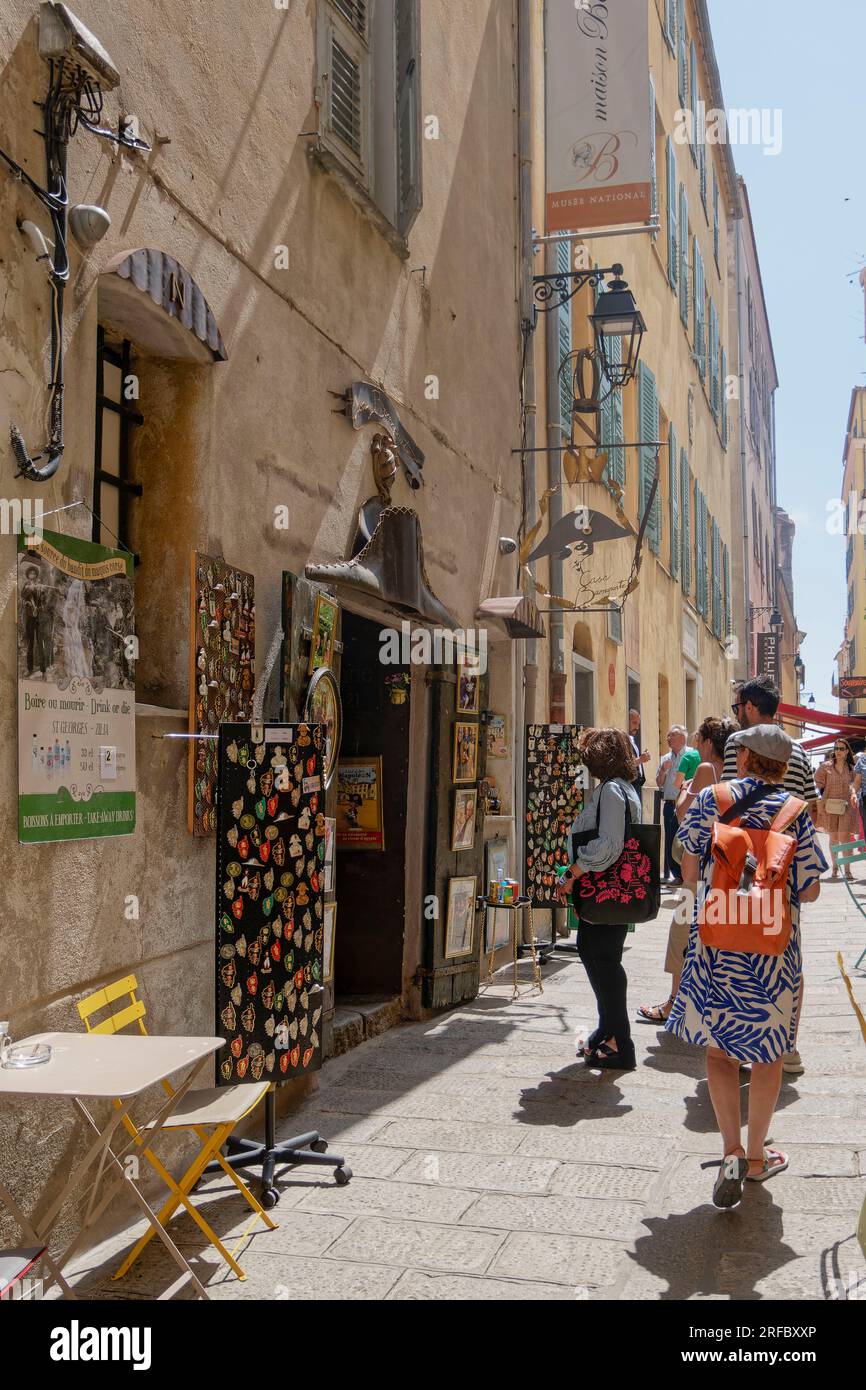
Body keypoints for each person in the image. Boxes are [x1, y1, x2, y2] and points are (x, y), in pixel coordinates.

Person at [668, 725, 826, 1208]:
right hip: (772, 952)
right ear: (781, 766)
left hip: (717, 941)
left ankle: (731, 1149)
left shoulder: (711, 798)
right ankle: (757, 1156)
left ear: (744, 757)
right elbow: (812, 888)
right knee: (768, 1054)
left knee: (719, 1054)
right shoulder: (795, 813)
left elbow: (687, 865)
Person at [725, 674, 819, 1077]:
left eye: (737, 707)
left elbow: (731, 807)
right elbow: (810, 809)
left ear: (748, 706)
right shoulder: (797, 750)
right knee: (788, 958)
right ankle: (788, 1045)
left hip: (742, 870)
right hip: (786, 874)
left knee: (740, 955)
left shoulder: (737, 746)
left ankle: (741, 1041)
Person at [638, 716, 737, 1024]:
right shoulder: (737, 771)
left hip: (697, 865)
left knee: (682, 936)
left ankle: (673, 1004)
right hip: (726, 866)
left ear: (709, 743)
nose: (697, 746)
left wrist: (686, 787)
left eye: (699, 740)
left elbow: (683, 813)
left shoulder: (707, 770)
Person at [555, 728, 642, 1071]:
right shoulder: (624, 789)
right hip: (608, 892)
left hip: (605, 890)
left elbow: (608, 845)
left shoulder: (610, 791)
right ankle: (607, 1032)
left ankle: (622, 1043)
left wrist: (572, 873)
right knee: (592, 953)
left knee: (604, 962)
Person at [815, 739, 859, 879]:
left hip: (846, 806)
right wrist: (821, 798)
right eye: (836, 748)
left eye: (841, 749)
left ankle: (847, 870)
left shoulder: (852, 768)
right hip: (830, 806)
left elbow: (854, 784)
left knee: (845, 837)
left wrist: (853, 794)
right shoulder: (825, 767)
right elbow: (817, 783)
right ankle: (835, 868)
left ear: (847, 751)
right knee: (833, 838)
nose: (838, 751)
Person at [655, 726, 689, 884]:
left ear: (683, 738)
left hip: (687, 805)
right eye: (668, 735)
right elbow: (658, 783)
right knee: (670, 840)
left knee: (685, 840)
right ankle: (677, 875)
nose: (668, 738)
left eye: (672, 735)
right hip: (669, 804)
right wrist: (663, 770)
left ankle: (687, 874)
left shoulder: (691, 754)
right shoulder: (665, 758)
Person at [628, 709, 650, 796]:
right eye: (634, 723)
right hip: (629, 784)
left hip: (637, 784)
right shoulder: (623, 741)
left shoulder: (632, 740)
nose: (637, 727)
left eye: (638, 724)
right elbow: (624, 764)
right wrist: (640, 760)